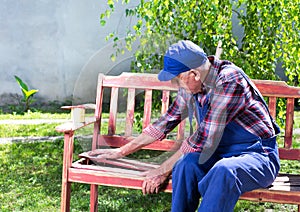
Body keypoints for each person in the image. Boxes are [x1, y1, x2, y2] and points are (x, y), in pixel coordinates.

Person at [87, 40, 280, 212]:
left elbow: (204, 138)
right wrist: (120, 152)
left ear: (194, 73)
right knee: (185, 166)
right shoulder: (192, 86)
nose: (176, 84)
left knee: (224, 171)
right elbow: (164, 123)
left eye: (178, 78)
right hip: (219, 153)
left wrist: (161, 170)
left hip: (257, 157)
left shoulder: (229, 81)